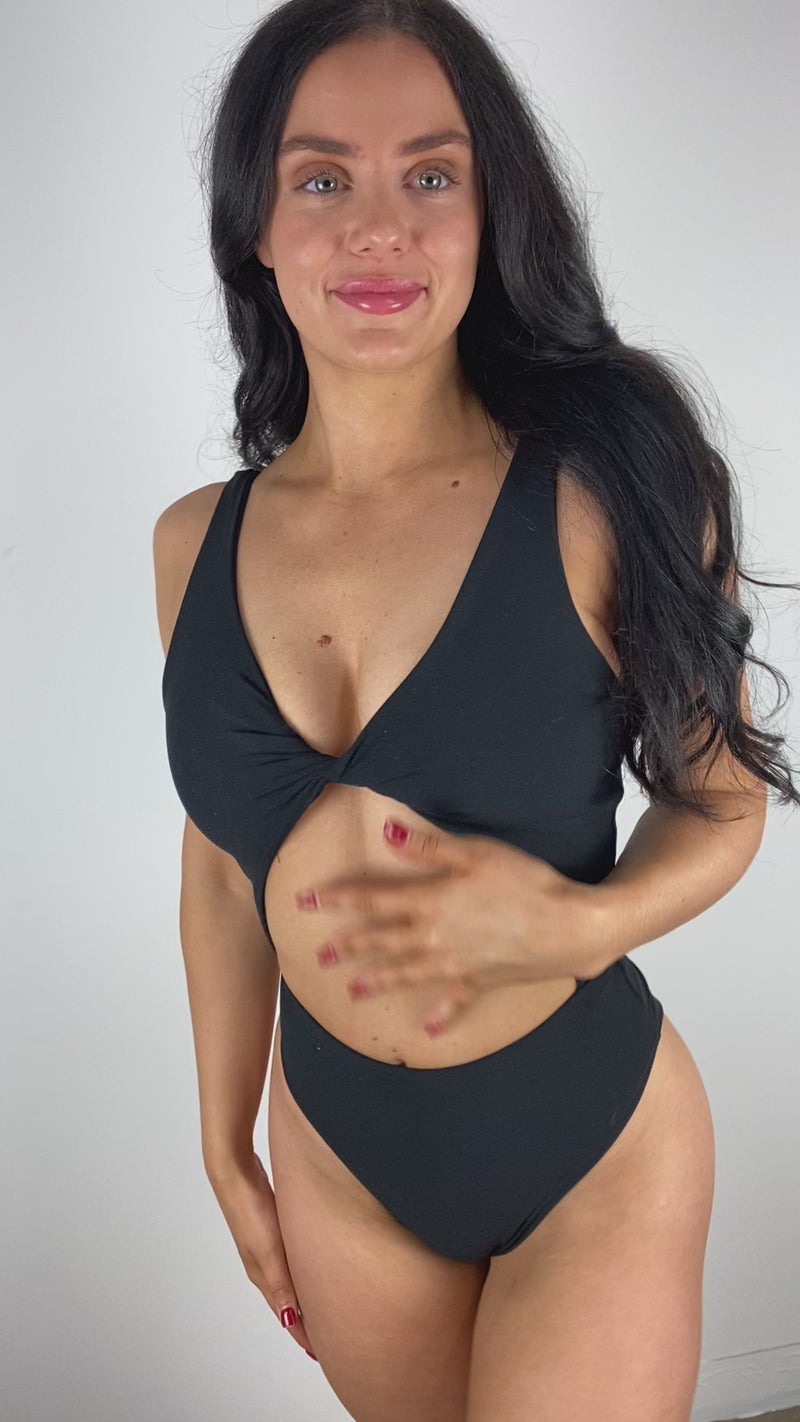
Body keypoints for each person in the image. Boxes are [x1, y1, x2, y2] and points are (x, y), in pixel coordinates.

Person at [152, 4, 799, 1418]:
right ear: (256, 223)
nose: (379, 226)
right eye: (323, 177)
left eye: (431, 174)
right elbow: (220, 864)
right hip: (341, 1159)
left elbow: (722, 800)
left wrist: (572, 926)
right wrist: (223, 1141)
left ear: (491, 207)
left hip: (588, 1148)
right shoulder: (193, 542)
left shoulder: (605, 486)